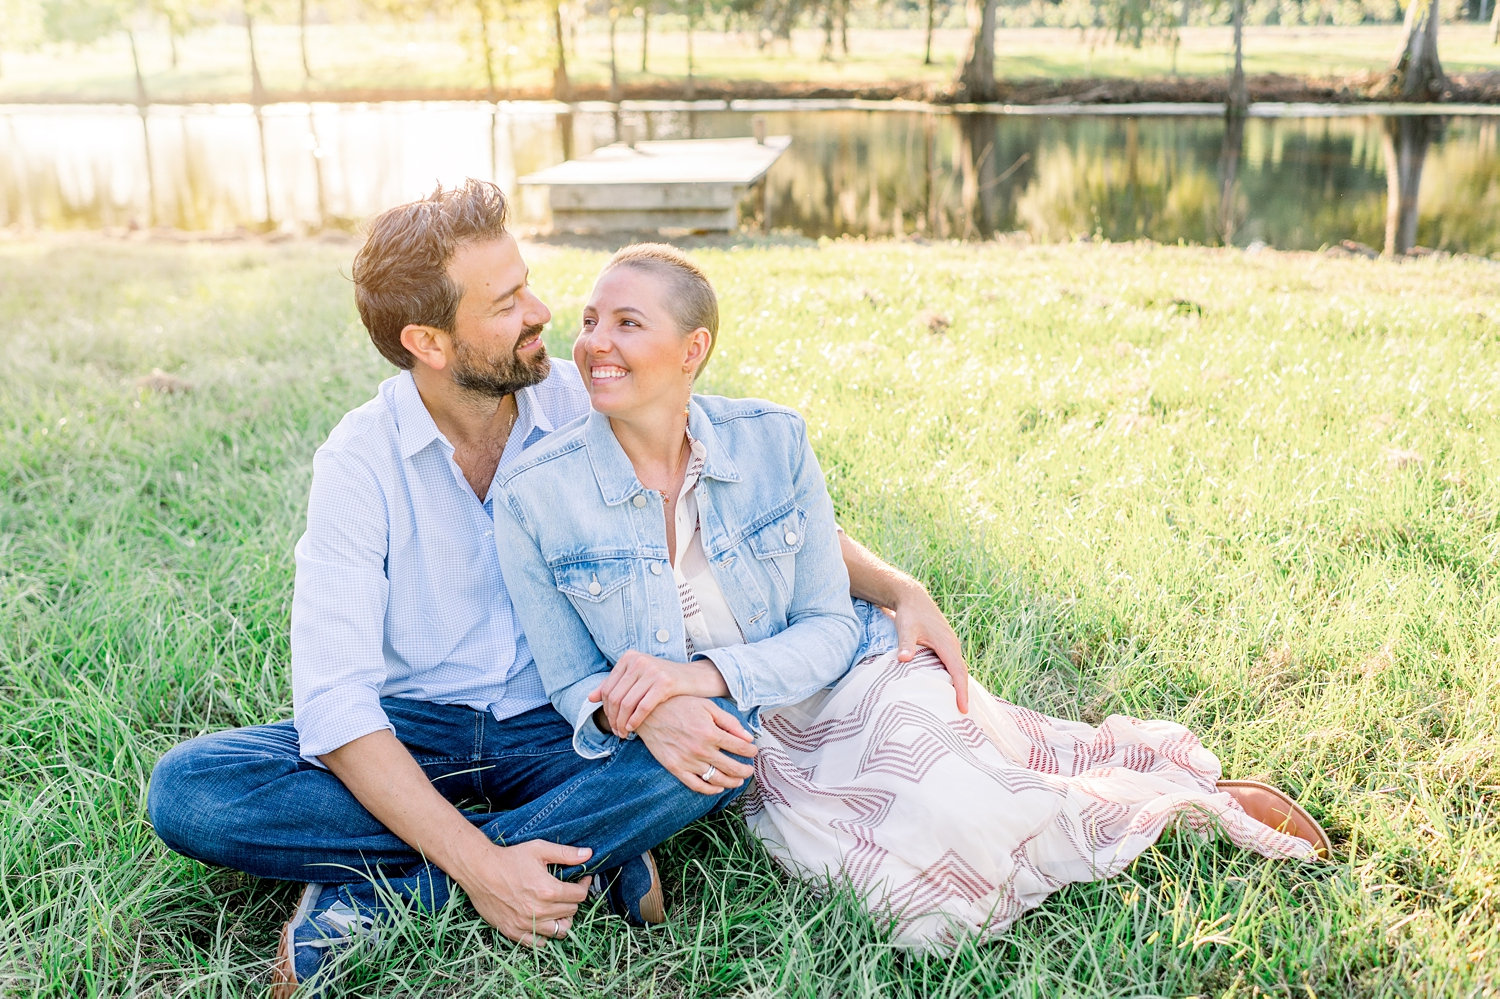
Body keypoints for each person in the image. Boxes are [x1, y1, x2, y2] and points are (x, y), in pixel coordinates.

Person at [144, 181, 969, 995]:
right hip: (417, 735)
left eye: (527, 283)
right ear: (429, 342)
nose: (542, 311)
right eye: (506, 303)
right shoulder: (359, 462)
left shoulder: (588, 397)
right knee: (190, 793)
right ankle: (578, 848)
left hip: (575, 725)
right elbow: (336, 708)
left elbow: (737, 493)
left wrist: (895, 586)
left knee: (719, 739)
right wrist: (483, 867)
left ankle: (387, 895)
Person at [492, 243, 1333, 951]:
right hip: (752, 742)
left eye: (628, 323)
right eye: (593, 320)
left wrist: (702, 674)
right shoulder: (535, 494)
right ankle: (1117, 808)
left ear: (691, 349)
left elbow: (826, 625)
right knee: (914, 901)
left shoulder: (772, 439)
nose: (596, 343)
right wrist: (632, 709)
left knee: (965, 792)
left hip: (849, 676)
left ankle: (1181, 805)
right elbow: (570, 680)